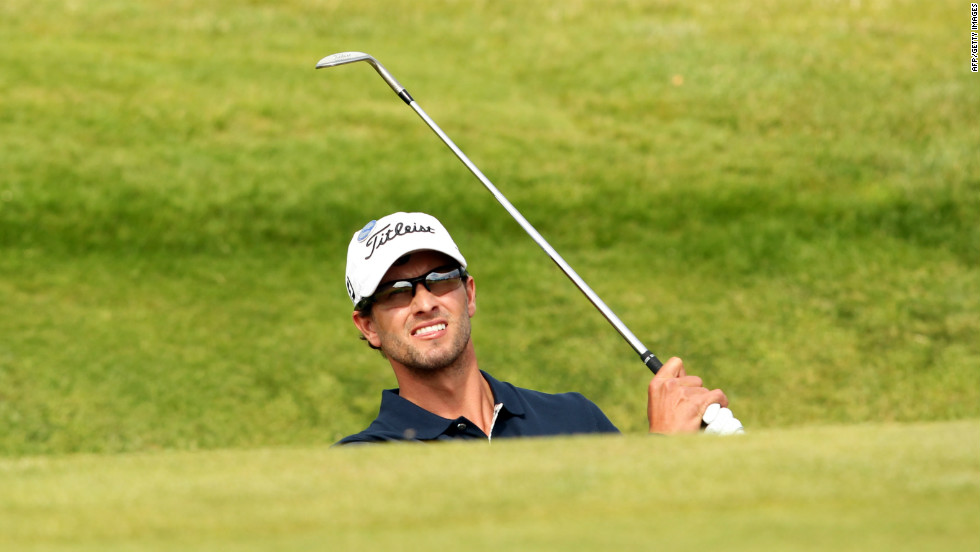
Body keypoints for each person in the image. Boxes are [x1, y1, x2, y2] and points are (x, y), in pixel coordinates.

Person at [336, 212, 731, 445]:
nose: (425, 303)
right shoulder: (363, 464)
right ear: (368, 325)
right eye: (396, 292)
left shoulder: (576, 419)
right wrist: (664, 454)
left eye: (441, 279)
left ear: (469, 294)